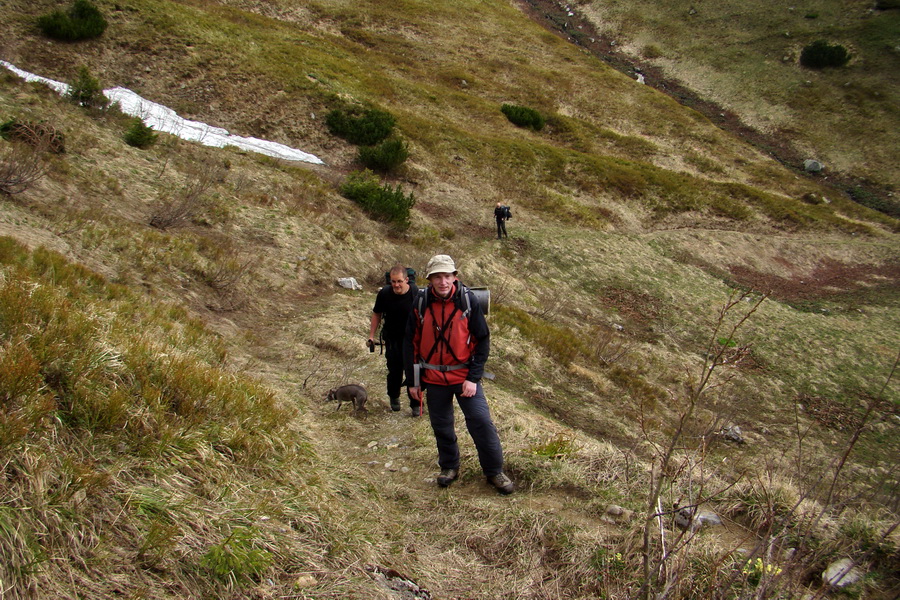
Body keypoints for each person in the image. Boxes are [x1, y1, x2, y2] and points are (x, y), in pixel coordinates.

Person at [404, 254, 514, 495]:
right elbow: (410, 342)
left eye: (447, 276)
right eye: (437, 277)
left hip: (464, 378)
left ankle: (494, 471)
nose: (442, 282)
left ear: (455, 277)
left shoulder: (468, 301)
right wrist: (413, 382)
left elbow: (482, 340)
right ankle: (449, 467)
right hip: (433, 380)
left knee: (481, 423)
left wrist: (473, 378)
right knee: (441, 425)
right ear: (430, 279)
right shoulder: (420, 303)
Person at [369, 264, 420, 414]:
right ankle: (394, 397)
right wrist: (371, 335)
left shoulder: (415, 293)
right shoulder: (385, 294)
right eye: (393, 282)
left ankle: (416, 404)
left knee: (414, 371)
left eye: (399, 281)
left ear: (406, 280)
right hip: (392, 339)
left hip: (412, 340)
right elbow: (377, 313)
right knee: (394, 371)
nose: (396, 285)